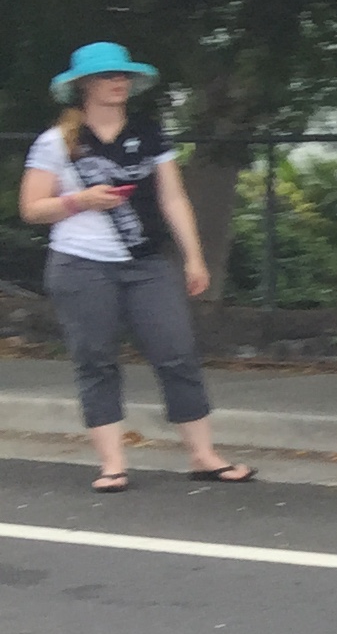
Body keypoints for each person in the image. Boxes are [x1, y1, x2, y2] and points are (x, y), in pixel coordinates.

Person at [16, 41, 253, 495]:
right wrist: (80, 200)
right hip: (81, 264)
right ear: (85, 86)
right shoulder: (57, 141)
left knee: (177, 352)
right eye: (108, 75)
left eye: (123, 75)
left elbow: (172, 197)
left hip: (146, 262)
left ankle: (203, 456)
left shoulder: (149, 134)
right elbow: (32, 208)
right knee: (96, 359)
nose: (118, 82)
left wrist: (193, 256)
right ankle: (112, 464)